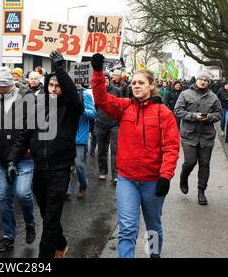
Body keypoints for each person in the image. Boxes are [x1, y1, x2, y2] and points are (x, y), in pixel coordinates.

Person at [91, 53, 180, 258]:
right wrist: (97, 72)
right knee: (128, 228)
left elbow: (171, 147)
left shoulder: (164, 113)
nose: (135, 86)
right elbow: (102, 99)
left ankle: (154, 255)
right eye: (133, 83)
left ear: (151, 86)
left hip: (153, 181)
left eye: (141, 82)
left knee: (153, 227)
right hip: (127, 180)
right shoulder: (125, 108)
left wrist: (166, 176)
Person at [7, 51, 84, 258]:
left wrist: (60, 69)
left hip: (60, 171)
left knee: (50, 221)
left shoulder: (71, 108)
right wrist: (13, 160)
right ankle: (61, 243)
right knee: (46, 214)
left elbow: (73, 98)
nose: (54, 89)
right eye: (51, 85)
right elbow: (24, 136)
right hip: (39, 169)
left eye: (58, 86)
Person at [0, 67, 37, 253]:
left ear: (4, 84)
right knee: (4, 198)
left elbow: (27, 131)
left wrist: (14, 159)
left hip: (23, 158)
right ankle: (8, 235)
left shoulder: (27, 98)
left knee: (22, 193)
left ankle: (30, 223)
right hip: (1, 158)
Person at [175, 73, 222, 205]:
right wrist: (194, 116)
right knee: (190, 162)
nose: (203, 82)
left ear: (209, 83)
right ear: (196, 81)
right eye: (201, 79)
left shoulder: (213, 97)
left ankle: (201, 191)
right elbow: (177, 110)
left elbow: (219, 114)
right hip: (189, 135)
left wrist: (208, 117)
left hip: (206, 136)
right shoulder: (185, 94)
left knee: (204, 163)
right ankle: (183, 177)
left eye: (206, 80)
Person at [68, 84, 96, 198]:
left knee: (79, 165)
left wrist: (81, 108)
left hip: (79, 137)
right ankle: (66, 190)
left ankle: (83, 185)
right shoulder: (63, 93)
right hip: (65, 136)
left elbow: (93, 114)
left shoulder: (85, 95)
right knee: (64, 165)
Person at [96, 73, 122, 183]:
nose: (105, 80)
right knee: (102, 149)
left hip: (114, 124)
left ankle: (115, 174)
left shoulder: (117, 91)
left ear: (110, 80)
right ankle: (102, 171)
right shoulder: (97, 91)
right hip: (100, 124)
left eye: (106, 78)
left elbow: (121, 105)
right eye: (103, 79)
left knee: (115, 150)